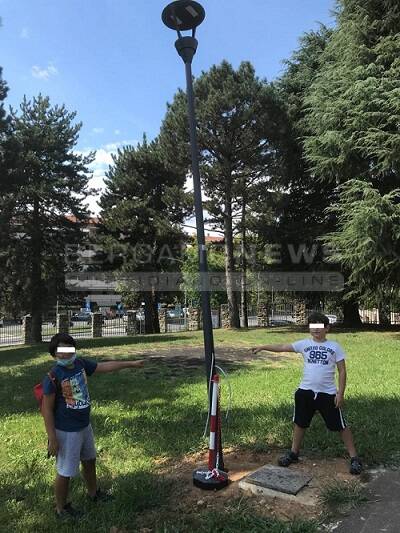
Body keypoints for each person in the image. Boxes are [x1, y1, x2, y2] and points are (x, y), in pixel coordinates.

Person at [42, 333, 144, 520]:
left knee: (89, 460)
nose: (64, 355)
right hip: (66, 432)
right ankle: (61, 508)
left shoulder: (80, 364)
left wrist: (130, 363)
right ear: (54, 354)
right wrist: (53, 438)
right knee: (65, 471)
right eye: (60, 351)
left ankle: (93, 493)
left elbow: (103, 366)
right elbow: (46, 410)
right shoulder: (53, 376)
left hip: (84, 426)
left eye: (68, 349)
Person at [251, 312, 362, 475]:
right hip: (305, 393)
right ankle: (294, 453)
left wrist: (341, 393)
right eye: (313, 326)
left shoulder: (335, 347)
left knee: (340, 426)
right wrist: (263, 347)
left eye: (319, 326)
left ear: (327, 328)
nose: (316, 329)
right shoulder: (304, 344)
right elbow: (283, 347)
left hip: (328, 394)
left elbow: (342, 370)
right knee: (300, 423)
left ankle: (354, 458)